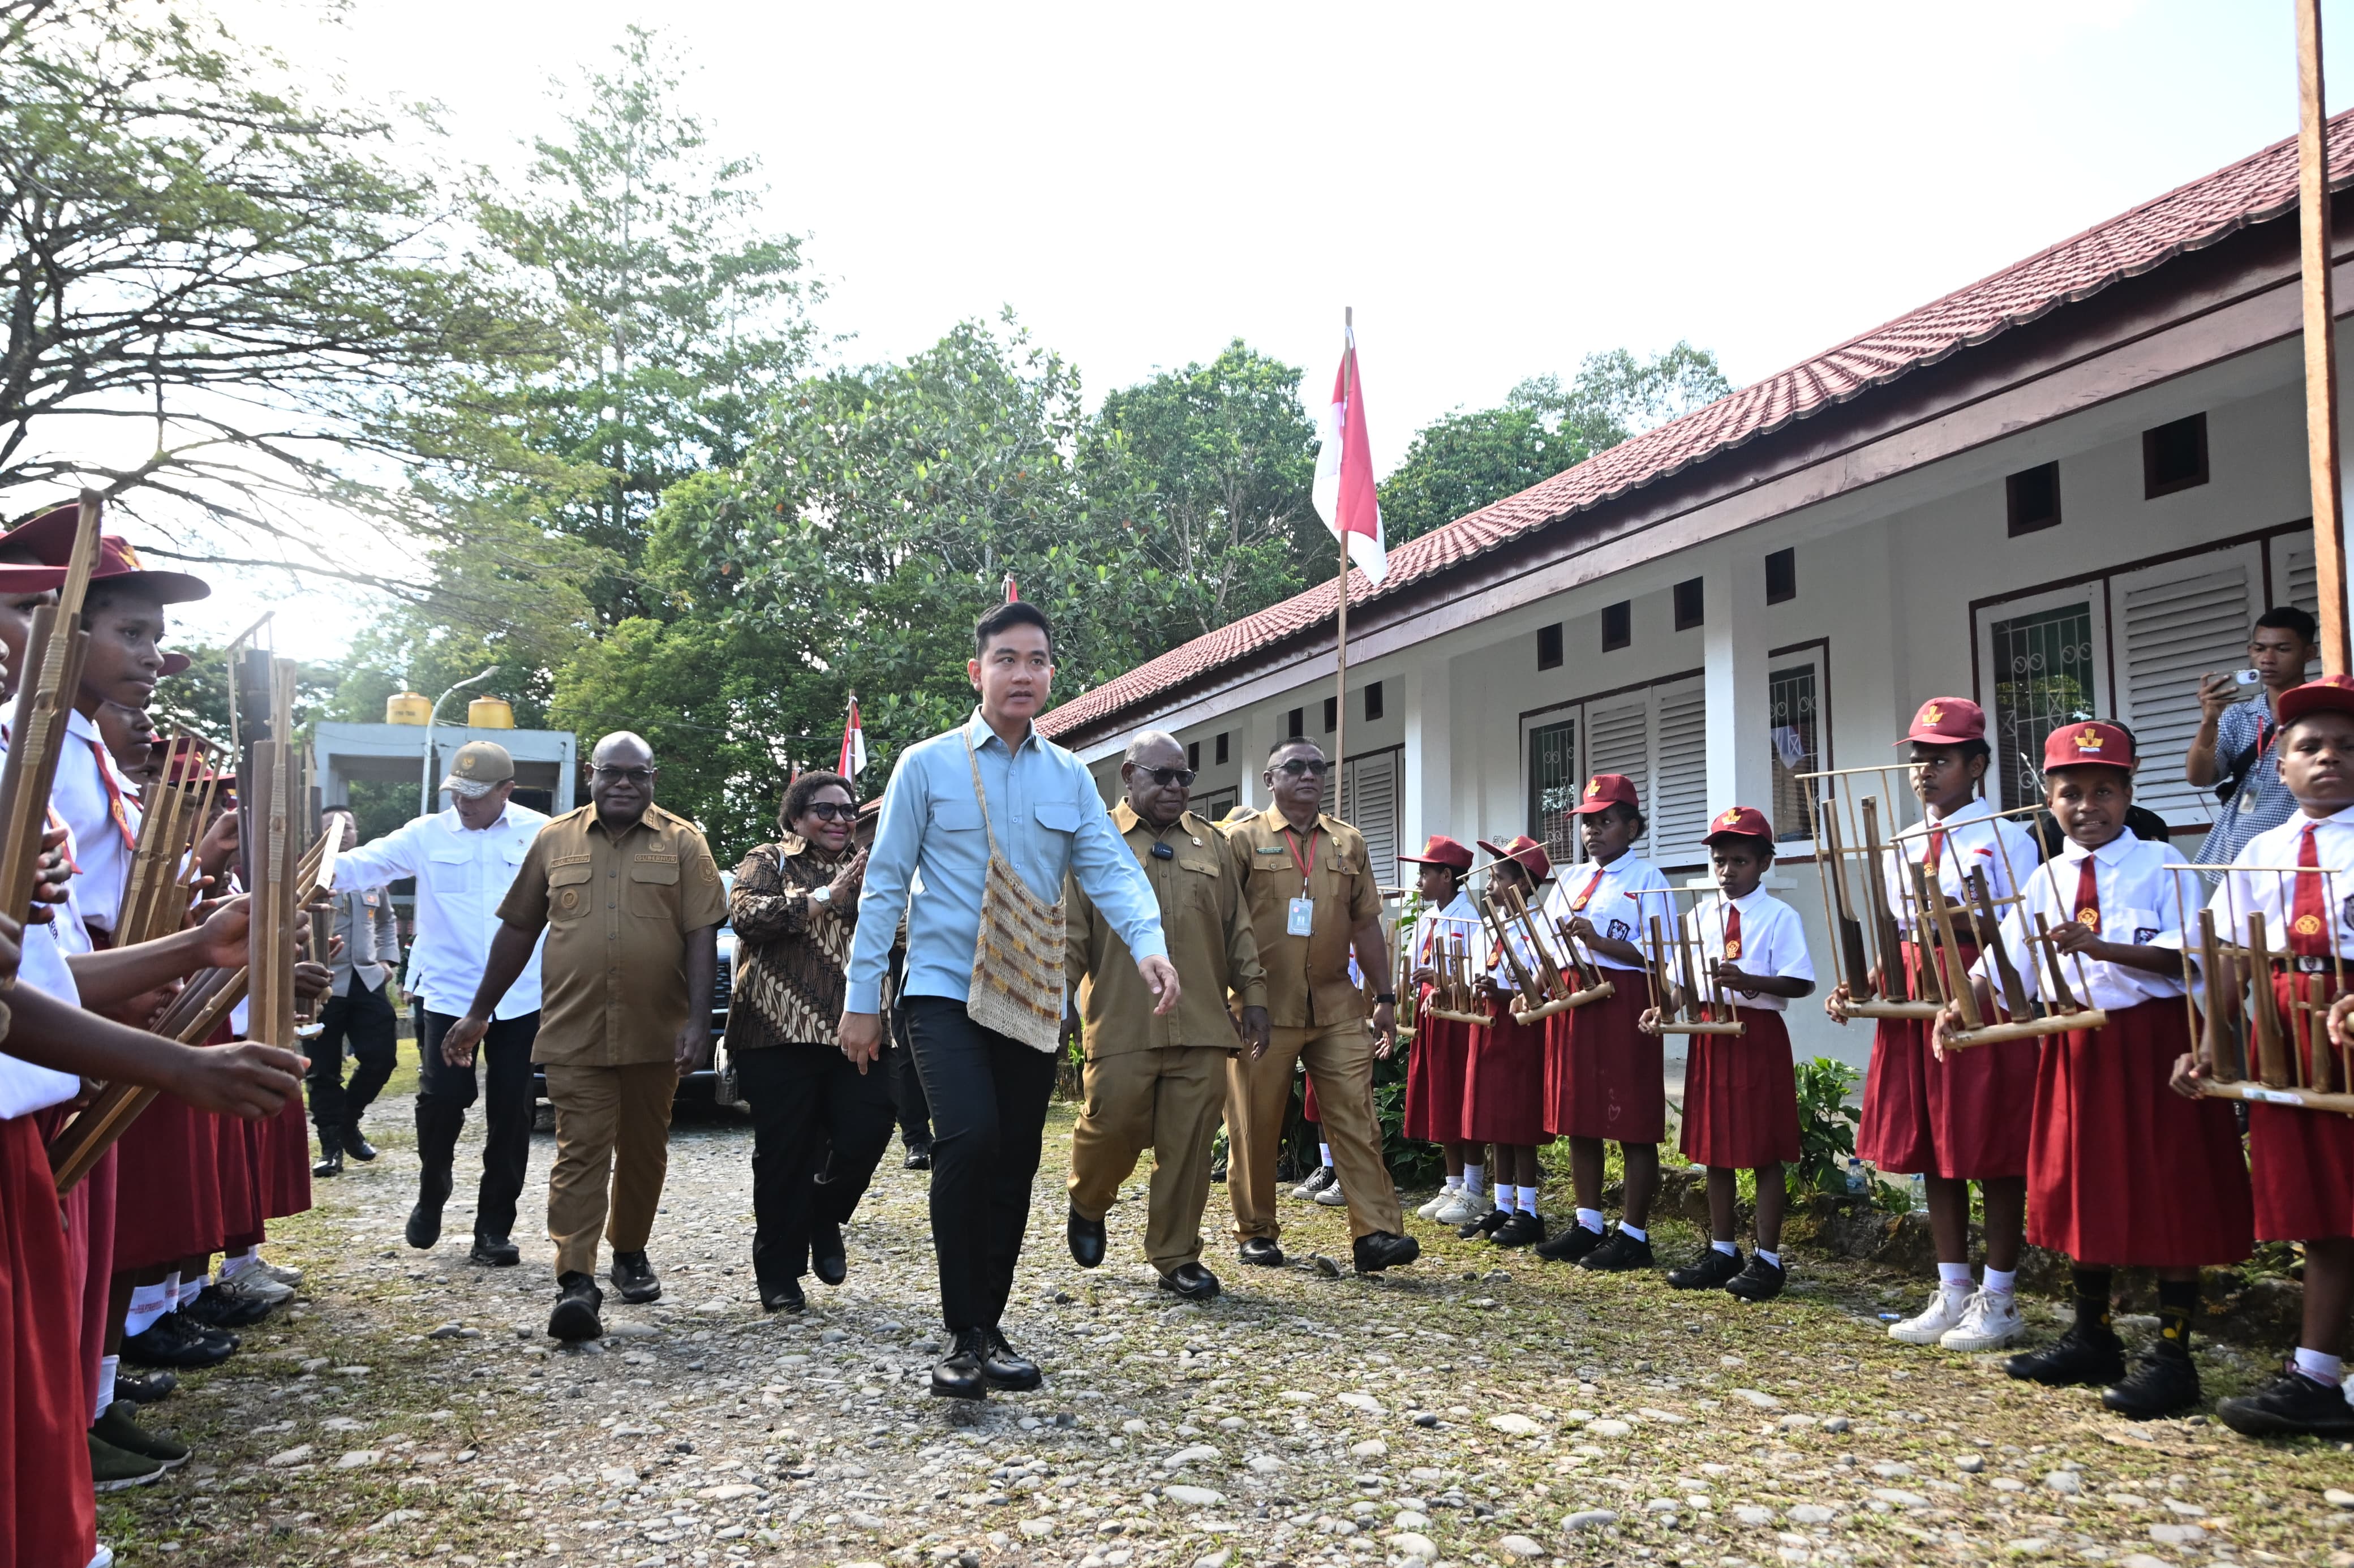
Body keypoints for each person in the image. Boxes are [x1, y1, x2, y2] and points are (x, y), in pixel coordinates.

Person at [841, 602, 1178, 1401]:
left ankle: (989, 1326)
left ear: (1051, 673)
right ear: (977, 671)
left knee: (1017, 1157)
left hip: (1029, 995)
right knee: (968, 1137)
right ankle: (960, 1334)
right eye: (1006, 659)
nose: (1022, 673)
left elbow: (1110, 869)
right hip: (941, 990)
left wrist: (1150, 942)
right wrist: (862, 995)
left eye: (1036, 660)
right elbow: (885, 882)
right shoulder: (926, 764)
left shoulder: (1069, 774)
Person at [1932, 722, 2249, 1417]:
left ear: (2128, 793)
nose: (2086, 806)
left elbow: (2188, 957)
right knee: (2083, 1183)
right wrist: (1960, 1007)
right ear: (2047, 799)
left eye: (2103, 790)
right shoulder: (2045, 876)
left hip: (2149, 1042)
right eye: (2069, 792)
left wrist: (2102, 946)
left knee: (2169, 1187)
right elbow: (2001, 961)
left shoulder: (2161, 863)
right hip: (2075, 1044)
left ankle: (2171, 1355)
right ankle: (2091, 1334)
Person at [443, 732, 725, 1342]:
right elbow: (518, 930)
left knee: (645, 1151)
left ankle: (629, 1251)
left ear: (653, 779)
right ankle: (576, 1279)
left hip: (657, 1032)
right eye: (611, 773)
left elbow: (703, 933)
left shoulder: (682, 841)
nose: (623, 783)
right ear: (590, 776)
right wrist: (478, 1012)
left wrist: (698, 1023)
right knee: (580, 1153)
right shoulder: (554, 839)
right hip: (574, 1028)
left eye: (637, 774)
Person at [1830, 697, 2043, 1355]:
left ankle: (1999, 1294)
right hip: (1913, 997)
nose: (1924, 770)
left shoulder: (2007, 834)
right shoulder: (1901, 841)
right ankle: (1951, 1286)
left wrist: (1947, 916)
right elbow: (1899, 931)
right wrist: (1863, 983)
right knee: (1933, 1149)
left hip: (1978, 994)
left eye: (1940, 758)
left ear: (1975, 764)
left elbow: (2016, 927)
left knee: (1991, 1146)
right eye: (1918, 757)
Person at [2196, 675, 2354, 1438]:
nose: (2329, 758)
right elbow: (2230, 961)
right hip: (2286, 1034)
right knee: (2320, 1208)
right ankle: (2317, 1373)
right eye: (2310, 746)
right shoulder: (2260, 850)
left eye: (2349, 746)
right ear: (2279, 767)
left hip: (2350, 1022)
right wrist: (2208, 1048)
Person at [1064, 730, 1269, 1301]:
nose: (1176, 787)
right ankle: (1087, 1199)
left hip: (1202, 1020)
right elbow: (1070, 934)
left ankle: (1176, 1254)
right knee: (1112, 1125)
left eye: (1184, 777)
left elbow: (1238, 928)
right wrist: (1052, 1003)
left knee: (1189, 1143)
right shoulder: (1092, 838)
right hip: (1122, 1020)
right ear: (1128, 776)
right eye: (1163, 776)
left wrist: (1252, 995)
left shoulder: (1212, 843)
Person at [332, 740, 549, 1266]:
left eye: (476, 795)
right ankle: (434, 1189)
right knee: (442, 1101)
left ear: (506, 790)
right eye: (457, 793)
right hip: (449, 991)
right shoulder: (425, 833)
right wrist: (296, 870)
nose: (464, 804)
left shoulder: (542, 832)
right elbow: (363, 864)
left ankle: (494, 1227)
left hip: (521, 993)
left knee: (512, 1112)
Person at [1223, 738, 1419, 1276]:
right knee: (1255, 1124)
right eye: (1296, 767)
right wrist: (1232, 998)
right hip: (1263, 1007)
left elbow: (1365, 925)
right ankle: (1257, 1230)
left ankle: (1376, 1233)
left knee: (1356, 1119)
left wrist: (1384, 996)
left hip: (1336, 1003)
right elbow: (1221, 924)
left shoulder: (1348, 842)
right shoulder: (1241, 841)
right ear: (1270, 780)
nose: (1309, 775)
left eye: (1317, 767)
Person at [723, 770, 884, 1314]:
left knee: (867, 1130)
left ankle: (824, 1212)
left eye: (848, 810)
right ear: (796, 817)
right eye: (826, 809)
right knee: (783, 1156)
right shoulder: (768, 859)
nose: (841, 820)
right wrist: (825, 896)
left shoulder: (874, 864)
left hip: (856, 1030)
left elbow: (899, 928)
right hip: (775, 1030)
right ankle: (780, 1273)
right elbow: (746, 916)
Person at [1648, 807, 1816, 1301]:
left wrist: (1751, 982)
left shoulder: (1780, 916)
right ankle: (1723, 1249)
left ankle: (1769, 1257)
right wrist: (1659, 1011)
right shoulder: (1700, 916)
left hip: (1756, 1033)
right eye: (1719, 860)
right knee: (1714, 1149)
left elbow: (1801, 981)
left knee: (1764, 1149)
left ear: (1764, 862)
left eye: (1739, 860)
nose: (1727, 870)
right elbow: (1679, 985)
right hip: (1708, 1033)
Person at [1532, 774, 1673, 1268]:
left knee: (1631, 1118)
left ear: (1632, 827)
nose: (1593, 830)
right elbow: (1544, 945)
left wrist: (1597, 940)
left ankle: (1634, 1233)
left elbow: (1659, 955)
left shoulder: (1648, 880)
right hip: (1573, 998)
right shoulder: (1569, 880)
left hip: (1623, 999)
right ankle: (1588, 1220)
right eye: (1587, 822)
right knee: (1580, 1114)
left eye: (1606, 821)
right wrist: (1532, 988)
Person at [1458, 836, 1556, 1247]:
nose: (1489, 886)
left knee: (1520, 1119)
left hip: (1520, 1027)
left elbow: (1540, 986)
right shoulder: (1489, 927)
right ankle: (1501, 1202)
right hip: (1489, 1026)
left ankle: (1528, 1208)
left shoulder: (1538, 927)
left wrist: (1500, 993)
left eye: (1497, 878)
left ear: (1524, 884)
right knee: (1495, 1118)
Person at [307, 808, 402, 1178]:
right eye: (332, 827)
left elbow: (387, 920)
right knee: (323, 1069)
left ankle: (347, 1120)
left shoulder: (370, 876)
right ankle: (331, 1146)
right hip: (322, 980)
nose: (342, 833)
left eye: (348, 827)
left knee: (382, 1057)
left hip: (367, 977)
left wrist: (388, 958)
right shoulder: (305, 873)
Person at [2186, 605, 2321, 867]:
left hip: (2302, 852)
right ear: (2250, 651)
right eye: (2259, 649)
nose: (2267, 659)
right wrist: (2209, 720)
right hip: (2237, 852)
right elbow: (2199, 778)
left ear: (2309, 654)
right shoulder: (2239, 715)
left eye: (2282, 649)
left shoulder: (2323, 712)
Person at [1397, 836, 1485, 1223]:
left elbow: (1478, 967)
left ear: (1447, 876)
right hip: (1429, 1012)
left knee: (1460, 1094)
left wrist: (1443, 976)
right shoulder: (1429, 916)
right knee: (1438, 1094)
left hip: (1458, 1015)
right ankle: (1452, 1181)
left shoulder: (1470, 918)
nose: (1419, 881)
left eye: (1425, 873)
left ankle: (1474, 1185)